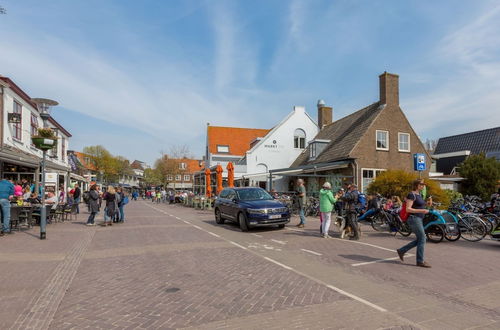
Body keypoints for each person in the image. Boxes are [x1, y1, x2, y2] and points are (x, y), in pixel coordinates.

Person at [397, 179, 431, 268]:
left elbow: (420, 205)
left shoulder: (419, 195)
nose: (423, 186)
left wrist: (428, 203)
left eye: (424, 184)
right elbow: (408, 209)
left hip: (419, 218)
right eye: (421, 184)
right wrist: (422, 210)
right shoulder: (411, 195)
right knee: (423, 238)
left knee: (420, 239)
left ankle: (402, 250)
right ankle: (420, 261)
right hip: (413, 218)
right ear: (416, 185)